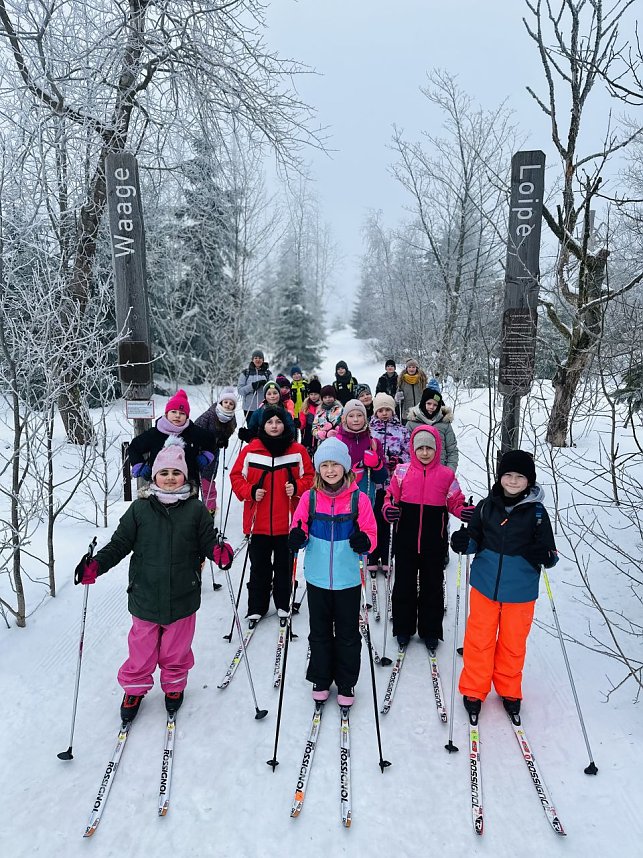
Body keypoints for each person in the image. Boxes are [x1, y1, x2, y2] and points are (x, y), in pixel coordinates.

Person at [74, 439, 228, 722]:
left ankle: (173, 686)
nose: (170, 478)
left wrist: (219, 552)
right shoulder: (140, 509)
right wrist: (96, 565)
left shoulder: (195, 510)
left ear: (185, 476)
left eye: (176, 473)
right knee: (141, 650)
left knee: (176, 649)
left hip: (183, 594)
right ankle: (134, 688)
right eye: (164, 473)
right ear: (154, 476)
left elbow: (208, 542)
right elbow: (120, 543)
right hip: (144, 594)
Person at [450, 450, 558, 719]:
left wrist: (544, 556)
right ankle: (474, 690)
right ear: (500, 477)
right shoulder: (487, 506)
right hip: (485, 586)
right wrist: (463, 543)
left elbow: (551, 554)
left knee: (512, 643)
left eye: (519, 476)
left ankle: (509, 690)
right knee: (479, 640)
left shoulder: (537, 513)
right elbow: (474, 538)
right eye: (508, 475)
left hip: (521, 591)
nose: (512, 480)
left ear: (529, 481)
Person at [288, 437, 377, 706]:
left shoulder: (359, 500)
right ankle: (321, 677)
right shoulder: (309, 498)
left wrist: (365, 542)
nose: (330, 470)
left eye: (335, 465)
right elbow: (299, 527)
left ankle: (347, 681)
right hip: (316, 578)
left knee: (348, 633)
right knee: (319, 631)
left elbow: (372, 533)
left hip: (348, 578)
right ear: (318, 469)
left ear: (346, 468)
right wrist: (297, 537)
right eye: (324, 465)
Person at [382, 426, 474, 650]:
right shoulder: (402, 472)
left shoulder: (446, 475)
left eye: (429, 448)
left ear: (437, 450)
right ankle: (403, 628)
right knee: (404, 584)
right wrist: (388, 509)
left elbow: (454, 500)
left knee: (432, 585)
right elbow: (390, 497)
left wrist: (463, 510)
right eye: (420, 448)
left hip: (435, 539)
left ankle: (430, 630)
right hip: (406, 538)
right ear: (413, 449)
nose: (424, 453)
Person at [229, 406, 314, 623]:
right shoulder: (251, 450)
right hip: (258, 523)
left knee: (284, 566)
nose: (274, 426)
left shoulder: (297, 450)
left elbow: (311, 478)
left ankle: (284, 603)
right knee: (259, 567)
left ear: (285, 424)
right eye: (270, 422)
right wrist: (249, 491)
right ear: (262, 426)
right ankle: (257, 606)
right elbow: (236, 476)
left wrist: (296, 487)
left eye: (278, 422)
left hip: (287, 523)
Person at [128, 389, 222, 485]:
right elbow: (133, 447)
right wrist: (140, 466)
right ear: (166, 413)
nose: (177, 416)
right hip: (159, 486)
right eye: (173, 412)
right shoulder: (155, 433)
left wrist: (206, 456)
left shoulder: (193, 432)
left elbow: (211, 441)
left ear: (187, 416)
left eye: (182, 413)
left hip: (189, 485)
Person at [368, 392, 410, 569]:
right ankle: (372, 554)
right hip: (374, 483)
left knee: (388, 519)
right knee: (373, 518)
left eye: (388, 410)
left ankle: (387, 556)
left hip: (393, 483)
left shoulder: (401, 430)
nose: (384, 413)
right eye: (381, 410)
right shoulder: (369, 430)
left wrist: (399, 461)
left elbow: (409, 454)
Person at [194, 386, 238, 513]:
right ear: (220, 402)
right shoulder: (210, 414)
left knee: (208, 479)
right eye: (226, 402)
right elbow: (196, 430)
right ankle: (195, 508)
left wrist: (224, 439)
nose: (228, 405)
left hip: (213, 452)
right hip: (199, 451)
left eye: (231, 404)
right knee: (196, 479)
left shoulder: (232, 418)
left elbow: (229, 431)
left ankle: (209, 508)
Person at [335, 399, 387, 504]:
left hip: (367, 498)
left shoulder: (373, 443)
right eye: (351, 416)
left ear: (365, 418)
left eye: (359, 415)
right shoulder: (337, 443)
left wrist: (377, 465)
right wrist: (349, 477)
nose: (356, 419)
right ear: (344, 418)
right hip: (341, 501)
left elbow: (381, 478)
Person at [406, 388, 459, 471]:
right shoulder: (412, 424)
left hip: (440, 471)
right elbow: (406, 449)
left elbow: (452, 449)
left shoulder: (444, 424)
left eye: (435, 405)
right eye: (429, 403)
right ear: (423, 403)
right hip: (417, 472)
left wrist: (450, 470)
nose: (431, 407)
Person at [237, 349, 272, 421]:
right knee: (251, 430)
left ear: (263, 360)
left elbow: (273, 389)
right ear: (252, 359)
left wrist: (266, 385)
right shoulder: (245, 373)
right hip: (249, 408)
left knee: (264, 430)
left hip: (264, 407)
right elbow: (240, 391)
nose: (258, 360)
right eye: (255, 358)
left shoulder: (267, 373)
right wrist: (252, 386)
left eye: (260, 358)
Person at [395, 358, 427, 424]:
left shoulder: (422, 380)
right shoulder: (402, 380)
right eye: (409, 367)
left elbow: (427, 395)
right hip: (407, 413)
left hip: (420, 412)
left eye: (413, 367)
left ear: (416, 368)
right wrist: (397, 398)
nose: (411, 369)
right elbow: (397, 400)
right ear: (406, 368)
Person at [299, 377, 322, 455]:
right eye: (311, 394)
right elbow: (302, 422)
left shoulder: (322, 406)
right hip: (308, 435)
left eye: (315, 394)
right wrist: (299, 424)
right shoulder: (306, 406)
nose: (313, 396)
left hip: (319, 435)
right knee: (307, 456)